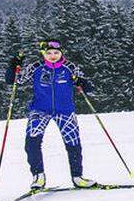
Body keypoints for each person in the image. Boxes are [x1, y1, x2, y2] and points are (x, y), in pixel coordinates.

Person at [6, 39, 96, 191]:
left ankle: (77, 177)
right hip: (40, 109)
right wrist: (13, 64)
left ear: (61, 53)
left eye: (56, 52)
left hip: (65, 110)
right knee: (32, 142)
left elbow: (89, 87)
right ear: (43, 54)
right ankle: (38, 177)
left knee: (73, 142)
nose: (53, 56)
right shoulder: (36, 67)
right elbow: (13, 80)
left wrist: (82, 82)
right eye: (49, 53)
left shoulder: (69, 67)